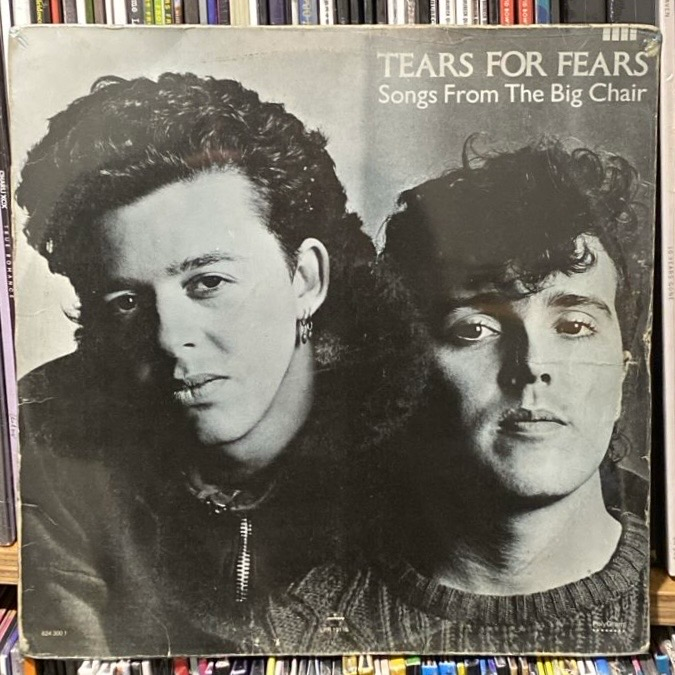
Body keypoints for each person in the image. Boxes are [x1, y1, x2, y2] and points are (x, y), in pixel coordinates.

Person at [16, 73, 421, 656]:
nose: (169, 338)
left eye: (207, 282)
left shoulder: (439, 435)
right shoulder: (57, 441)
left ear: (305, 279)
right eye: (126, 302)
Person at [266, 136, 652, 654]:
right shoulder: (298, 627)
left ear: (624, 375)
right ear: (411, 370)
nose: (532, 366)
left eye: (575, 326)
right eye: (475, 330)